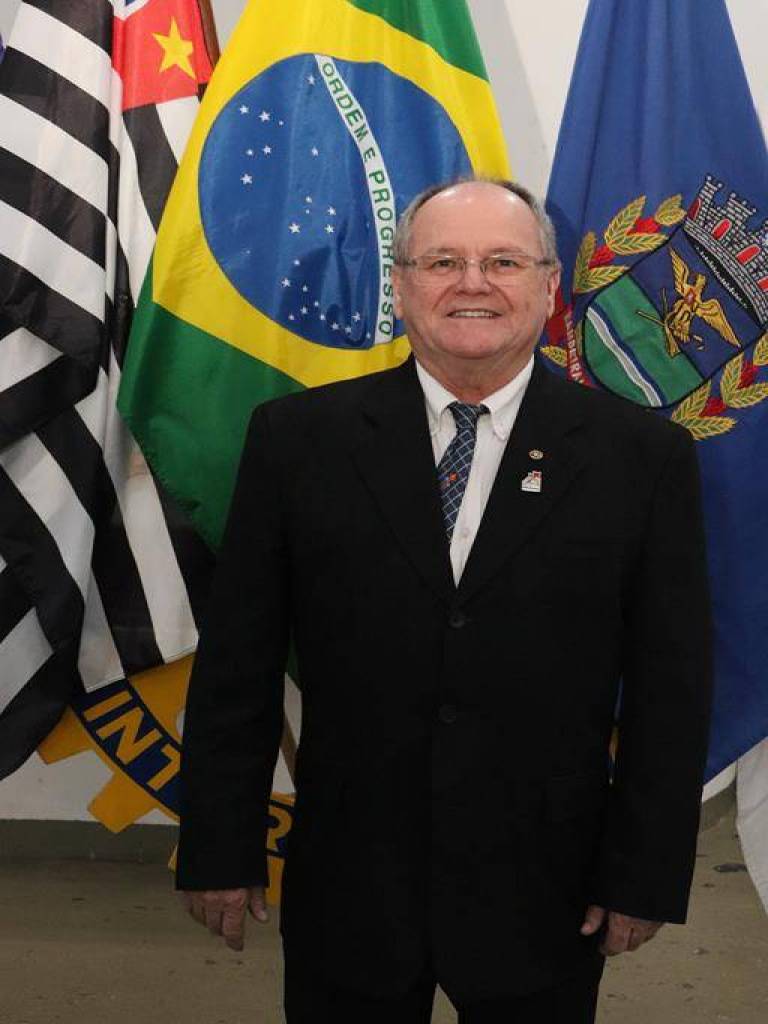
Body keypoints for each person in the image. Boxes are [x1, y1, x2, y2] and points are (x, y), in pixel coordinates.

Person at [177, 179, 712, 1023]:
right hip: (349, 883)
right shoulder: (297, 440)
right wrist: (218, 844)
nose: (472, 284)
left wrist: (643, 873)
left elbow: (670, 690)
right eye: (442, 262)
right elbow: (237, 664)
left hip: (547, 888)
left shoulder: (643, 458)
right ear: (400, 286)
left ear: (549, 286)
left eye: (504, 262)